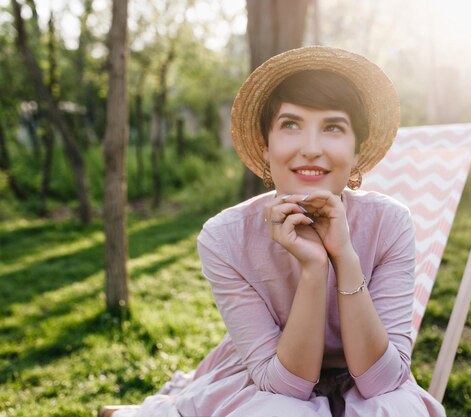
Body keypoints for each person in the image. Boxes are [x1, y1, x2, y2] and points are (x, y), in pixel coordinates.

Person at [111, 46, 445, 417]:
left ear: (356, 150)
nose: (311, 148)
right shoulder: (224, 238)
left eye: (333, 127)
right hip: (269, 379)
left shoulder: (390, 223)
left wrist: (344, 256)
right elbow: (287, 386)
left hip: (365, 378)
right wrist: (314, 268)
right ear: (266, 146)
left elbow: (381, 381)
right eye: (290, 125)